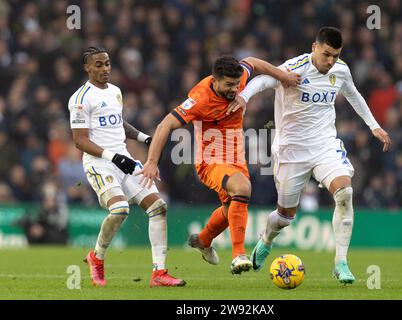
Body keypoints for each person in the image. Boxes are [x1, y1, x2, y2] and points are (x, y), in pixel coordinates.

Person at [228, 27, 392, 284]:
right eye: (327, 54)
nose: (330, 61)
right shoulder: (296, 67)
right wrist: (244, 97)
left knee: (345, 192)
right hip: (291, 151)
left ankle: (341, 262)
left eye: (335, 56)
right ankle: (267, 239)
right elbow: (262, 80)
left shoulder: (341, 70)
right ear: (314, 47)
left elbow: (353, 95)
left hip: (324, 145)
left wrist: (374, 126)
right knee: (284, 218)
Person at [137, 55, 300, 274]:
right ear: (215, 80)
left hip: (236, 157)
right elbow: (165, 124)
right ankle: (238, 254)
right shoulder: (200, 99)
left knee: (229, 208)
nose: (235, 89)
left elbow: (253, 62)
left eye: (237, 84)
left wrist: (283, 76)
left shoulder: (238, 77)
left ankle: (203, 240)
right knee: (243, 189)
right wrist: (151, 161)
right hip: (210, 161)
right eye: (229, 85)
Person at [68, 46, 185, 287]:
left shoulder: (115, 92)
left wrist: (145, 138)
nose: (105, 69)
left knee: (158, 207)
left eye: (107, 63)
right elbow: (79, 140)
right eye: (98, 65)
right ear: (87, 67)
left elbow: (117, 123)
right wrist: (112, 156)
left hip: (124, 159)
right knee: (120, 210)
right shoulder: (80, 99)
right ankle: (96, 257)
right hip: (100, 163)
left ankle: (159, 273)